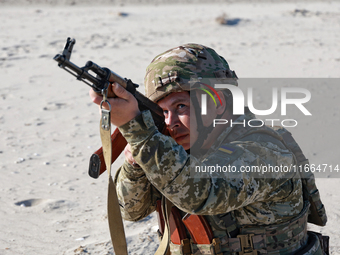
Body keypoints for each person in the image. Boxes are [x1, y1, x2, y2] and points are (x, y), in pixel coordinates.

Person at [89, 44, 327, 254]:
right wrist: (134, 164)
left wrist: (139, 132)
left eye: (181, 105)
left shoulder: (262, 150)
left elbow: (202, 193)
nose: (171, 122)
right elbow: (130, 210)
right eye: (163, 112)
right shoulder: (172, 146)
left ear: (219, 103)